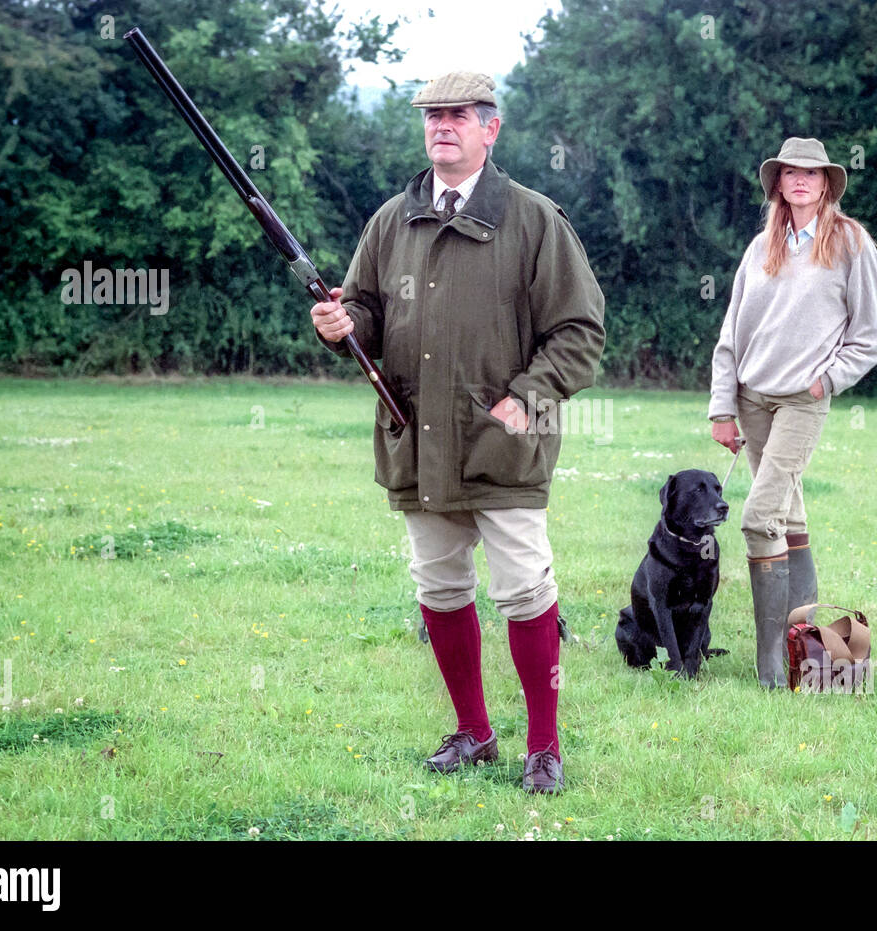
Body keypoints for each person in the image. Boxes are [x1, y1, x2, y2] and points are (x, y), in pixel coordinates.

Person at [311, 72, 605, 793]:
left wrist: (528, 396)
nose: (441, 125)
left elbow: (580, 330)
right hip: (417, 437)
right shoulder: (390, 221)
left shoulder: (535, 220)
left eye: (456, 116)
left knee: (526, 590)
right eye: (432, 116)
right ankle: (474, 731)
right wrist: (341, 327)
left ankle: (543, 744)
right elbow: (368, 317)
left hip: (505, 442)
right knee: (440, 587)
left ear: (489, 128)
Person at [707, 137, 877, 689]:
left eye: (812, 172)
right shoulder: (761, 247)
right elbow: (731, 333)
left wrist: (826, 379)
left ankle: (768, 671)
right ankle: (805, 651)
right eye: (790, 172)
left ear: (827, 183)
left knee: (760, 519)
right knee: (789, 517)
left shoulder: (852, 244)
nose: (801, 179)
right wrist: (722, 407)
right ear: (778, 183)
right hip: (751, 399)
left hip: (801, 403)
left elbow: (869, 336)